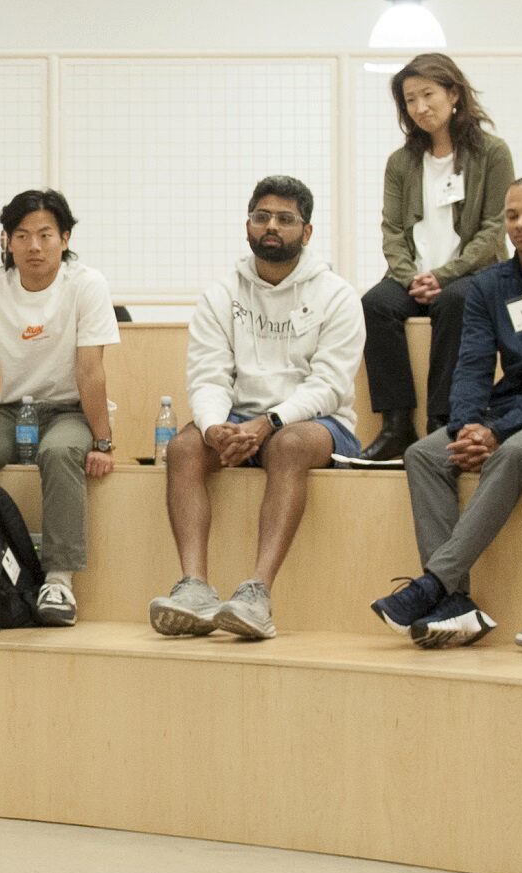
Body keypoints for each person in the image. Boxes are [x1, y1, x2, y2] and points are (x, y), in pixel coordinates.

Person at [371, 176, 522, 650]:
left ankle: (433, 583)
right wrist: (466, 427)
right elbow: (473, 365)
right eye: (512, 215)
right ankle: (455, 605)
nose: (521, 224)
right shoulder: (488, 285)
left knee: (513, 452)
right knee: (424, 453)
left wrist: (498, 431)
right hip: (509, 410)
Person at [147, 176, 363, 643]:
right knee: (184, 448)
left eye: (285, 219)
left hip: (317, 424)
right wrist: (213, 428)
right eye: (262, 216)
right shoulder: (221, 294)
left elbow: (328, 385)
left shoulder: (337, 295)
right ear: (247, 224)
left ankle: (257, 595)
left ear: (306, 233)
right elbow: (208, 376)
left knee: (286, 445)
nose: (271, 226)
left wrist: (271, 422)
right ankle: (195, 591)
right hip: (241, 418)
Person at [0, 189, 121, 624]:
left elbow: (90, 372)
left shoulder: (87, 284)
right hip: (12, 410)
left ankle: (58, 581)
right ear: (7, 241)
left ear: (65, 237)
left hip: (70, 410)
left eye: (44, 234)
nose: (34, 246)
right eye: (21, 235)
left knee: (57, 452)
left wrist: (104, 441)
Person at [346, 53, 516, 467]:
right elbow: (391, 229)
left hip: (471, 272)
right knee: (374, 305)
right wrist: (409, 278)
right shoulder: (401, 162)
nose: (420, 107)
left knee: (456, 301)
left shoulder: (492, 152)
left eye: (428, 95)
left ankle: (443, 420)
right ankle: (396, 425)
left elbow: (495, 226)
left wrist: (444, 275)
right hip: (412, 274)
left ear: (454, 94)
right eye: (409, 100)